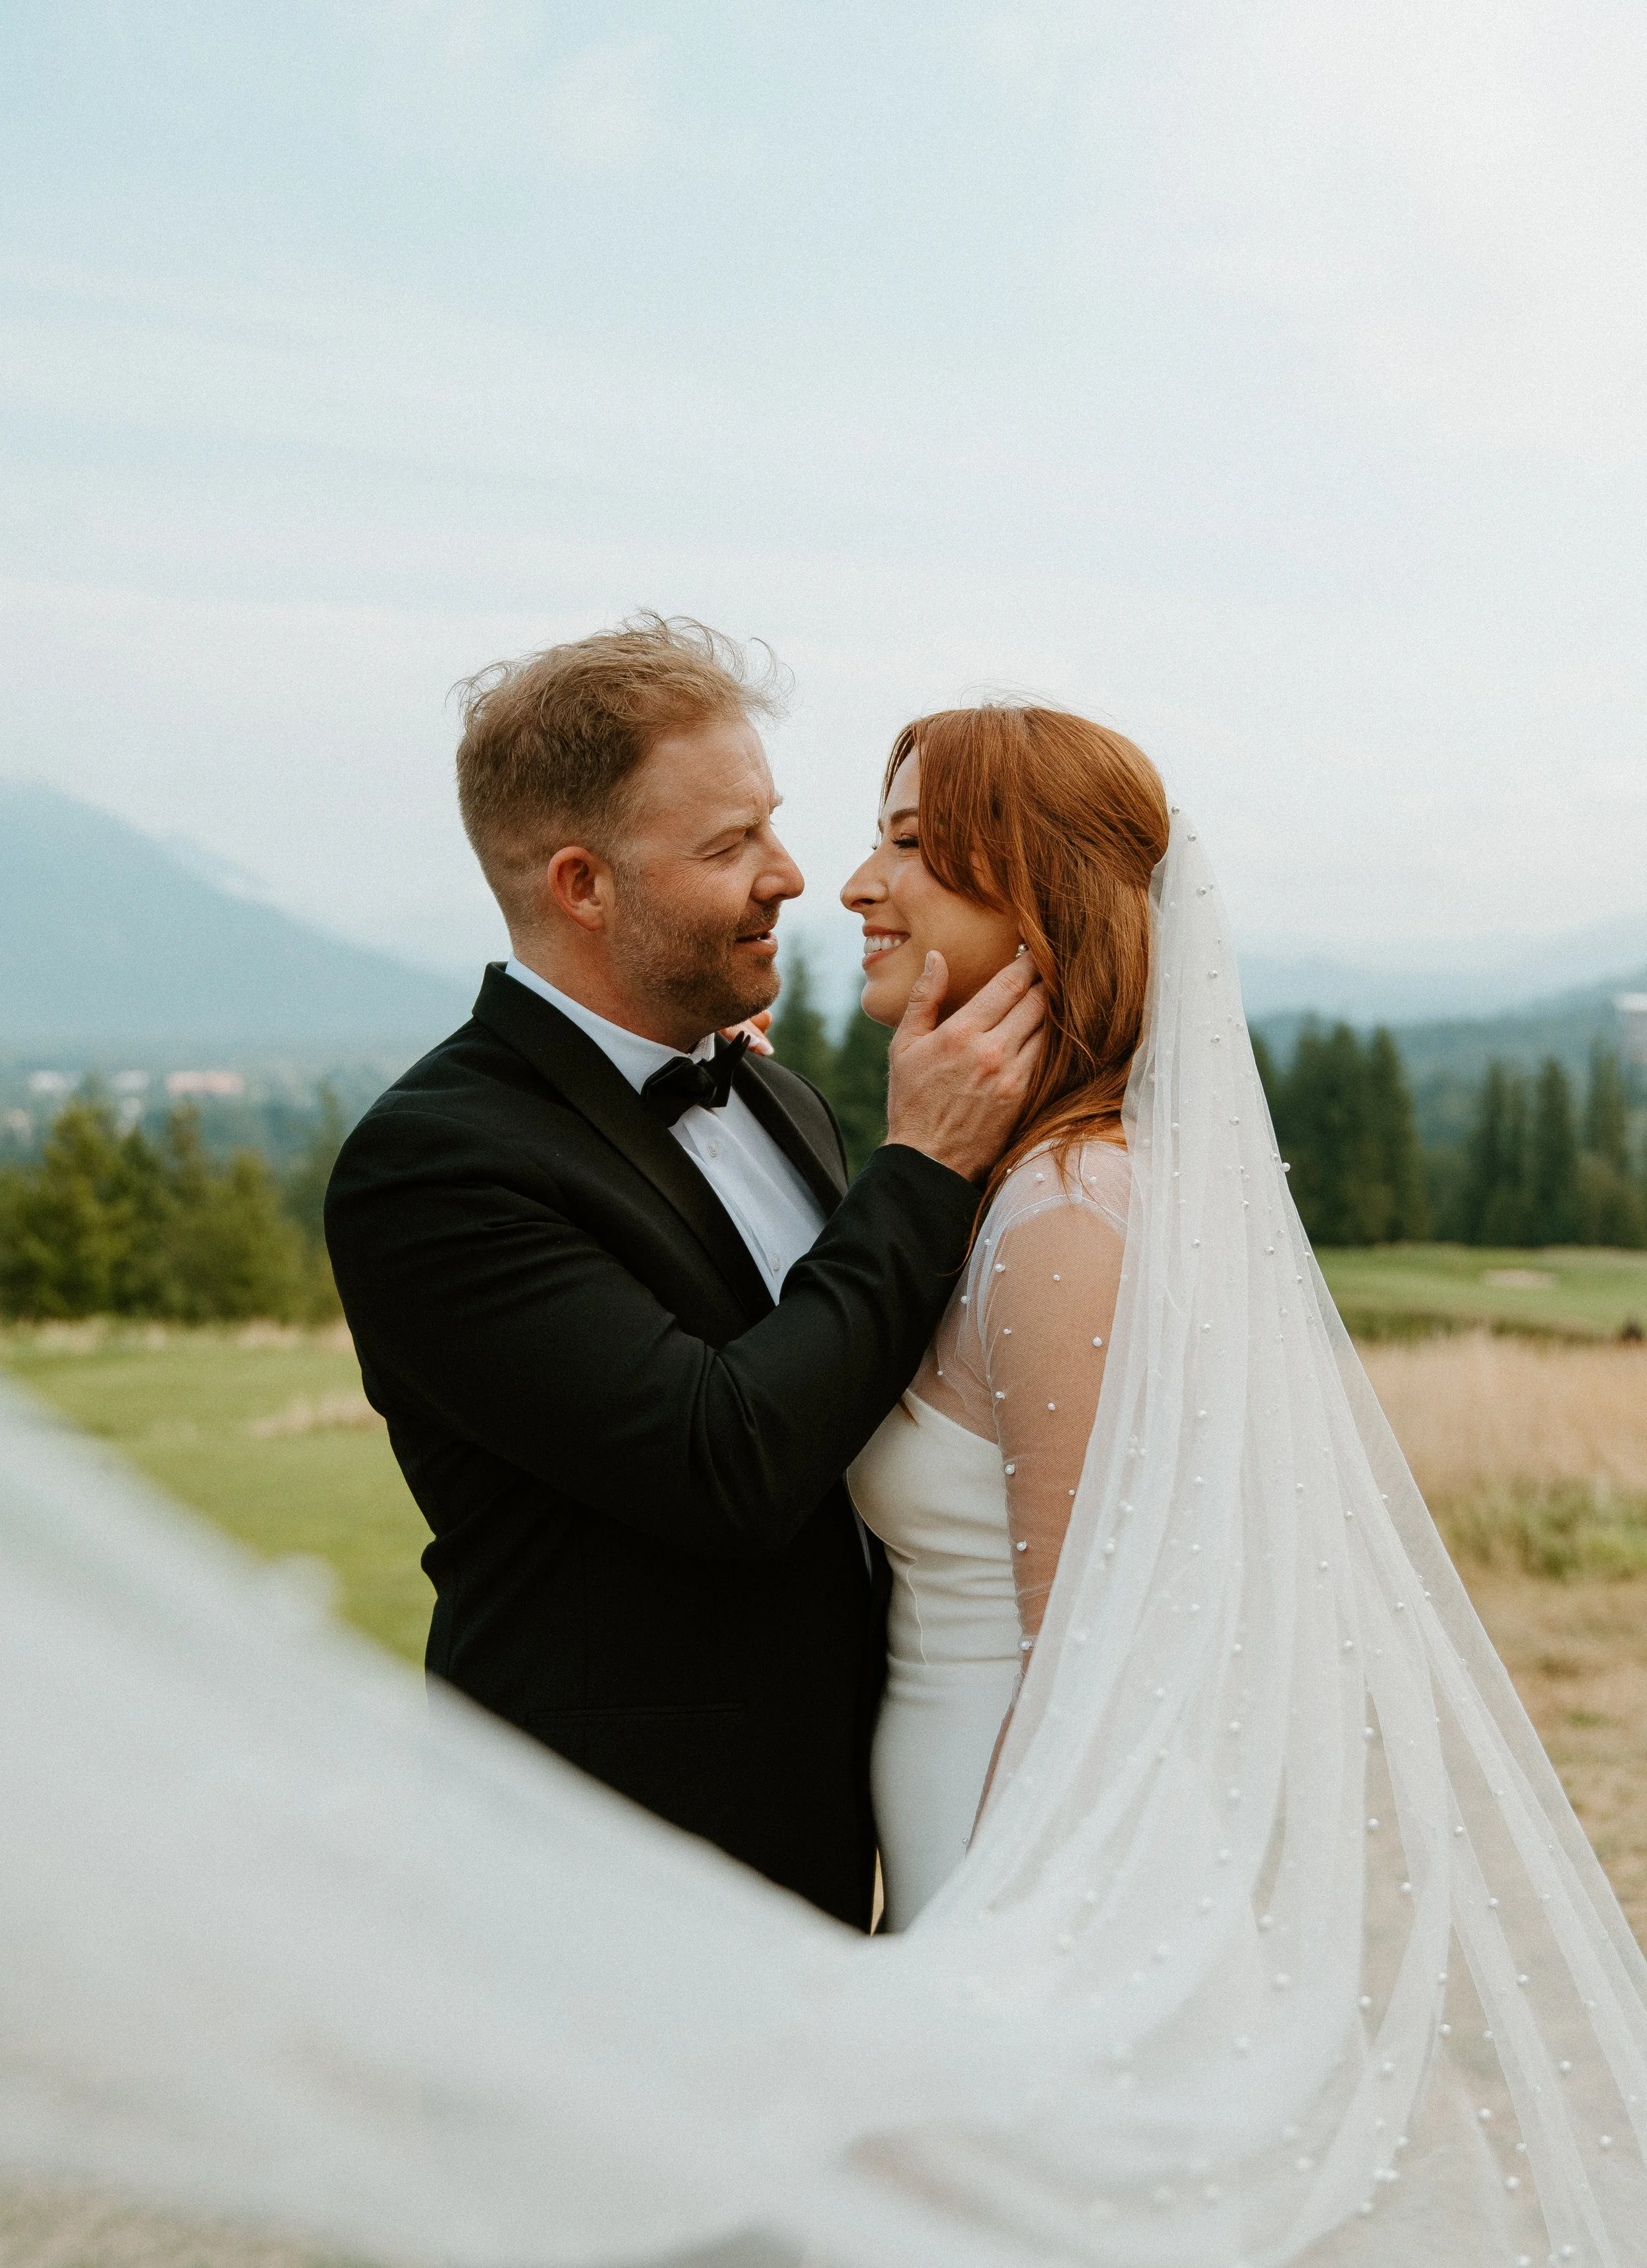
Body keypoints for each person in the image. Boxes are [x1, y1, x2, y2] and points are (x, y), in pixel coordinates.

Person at [322, 615, 1045, 1930]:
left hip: (840, 1859)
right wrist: (923, 1168)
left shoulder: (780, 1101)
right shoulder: (435, 1164)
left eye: (771, 824)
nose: (791, 876)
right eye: (728, 846)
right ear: (581, 883)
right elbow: (725, 1462)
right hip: (595, 1895)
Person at [840, 704, 1158, 1927]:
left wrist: (991, 1977)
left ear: (1041, 894)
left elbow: (1086, 1673)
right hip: (954, 1826)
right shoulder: (1004, 1189)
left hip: (1019, 1873)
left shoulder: (1066, 1212)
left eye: (912, 844)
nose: (862, 884)